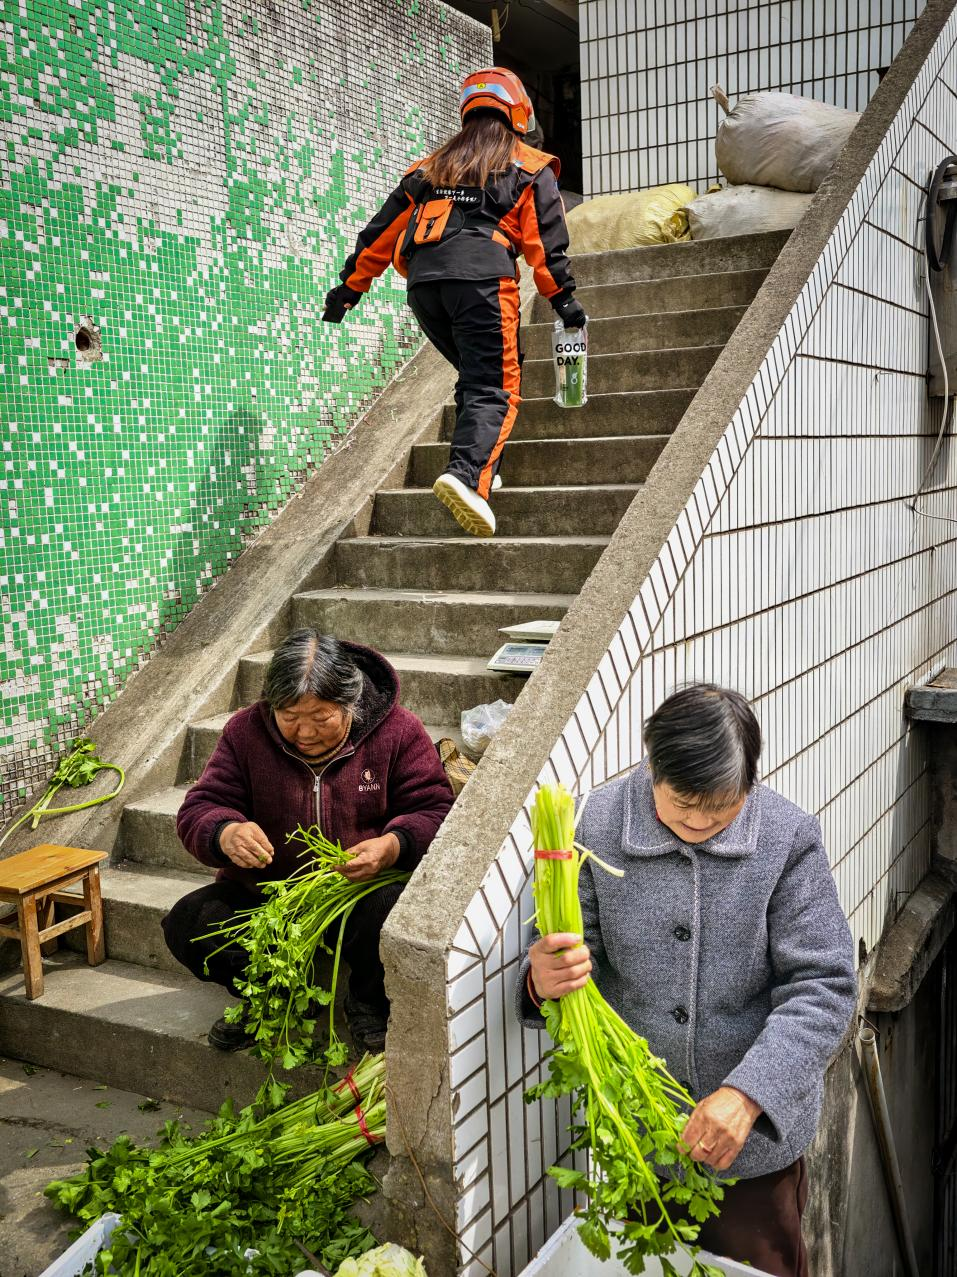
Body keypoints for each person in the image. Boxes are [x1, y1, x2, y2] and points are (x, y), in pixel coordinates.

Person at [518, 684, 857, 1277]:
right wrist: (540, 981)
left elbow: (823, 985)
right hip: (637, 1138)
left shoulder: (787, 838)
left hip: (753, 1151)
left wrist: (747, 1094)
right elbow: (572, 959)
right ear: (652, 766)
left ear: (750, 782)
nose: (700, 820)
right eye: (682, 802)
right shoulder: (597, 823)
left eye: (722, 806)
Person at [322, 67, 586, 539]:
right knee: (496, 386)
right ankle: (467, 476)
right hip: (482, 281)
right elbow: (545, 241)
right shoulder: (529, 165)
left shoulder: (430, 168)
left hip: (425, 288)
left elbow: (379, 233)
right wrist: (563, 298)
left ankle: (486, 465)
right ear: (519, 113)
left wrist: (349, 290)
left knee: (477, 373)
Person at [163, 630, 454, 1054]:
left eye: (321, 717)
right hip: (267, 896)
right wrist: (225, 831)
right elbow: (201, 806)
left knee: (392, 907)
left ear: (350, 702)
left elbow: (434, 808)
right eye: (290, 716)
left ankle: (368, 1001)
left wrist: (392, 846)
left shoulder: (398, 731)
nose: (305, 732)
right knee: (189, 923)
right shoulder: (245, 732)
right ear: (272, 706)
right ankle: (275, 995)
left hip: (355, 894)